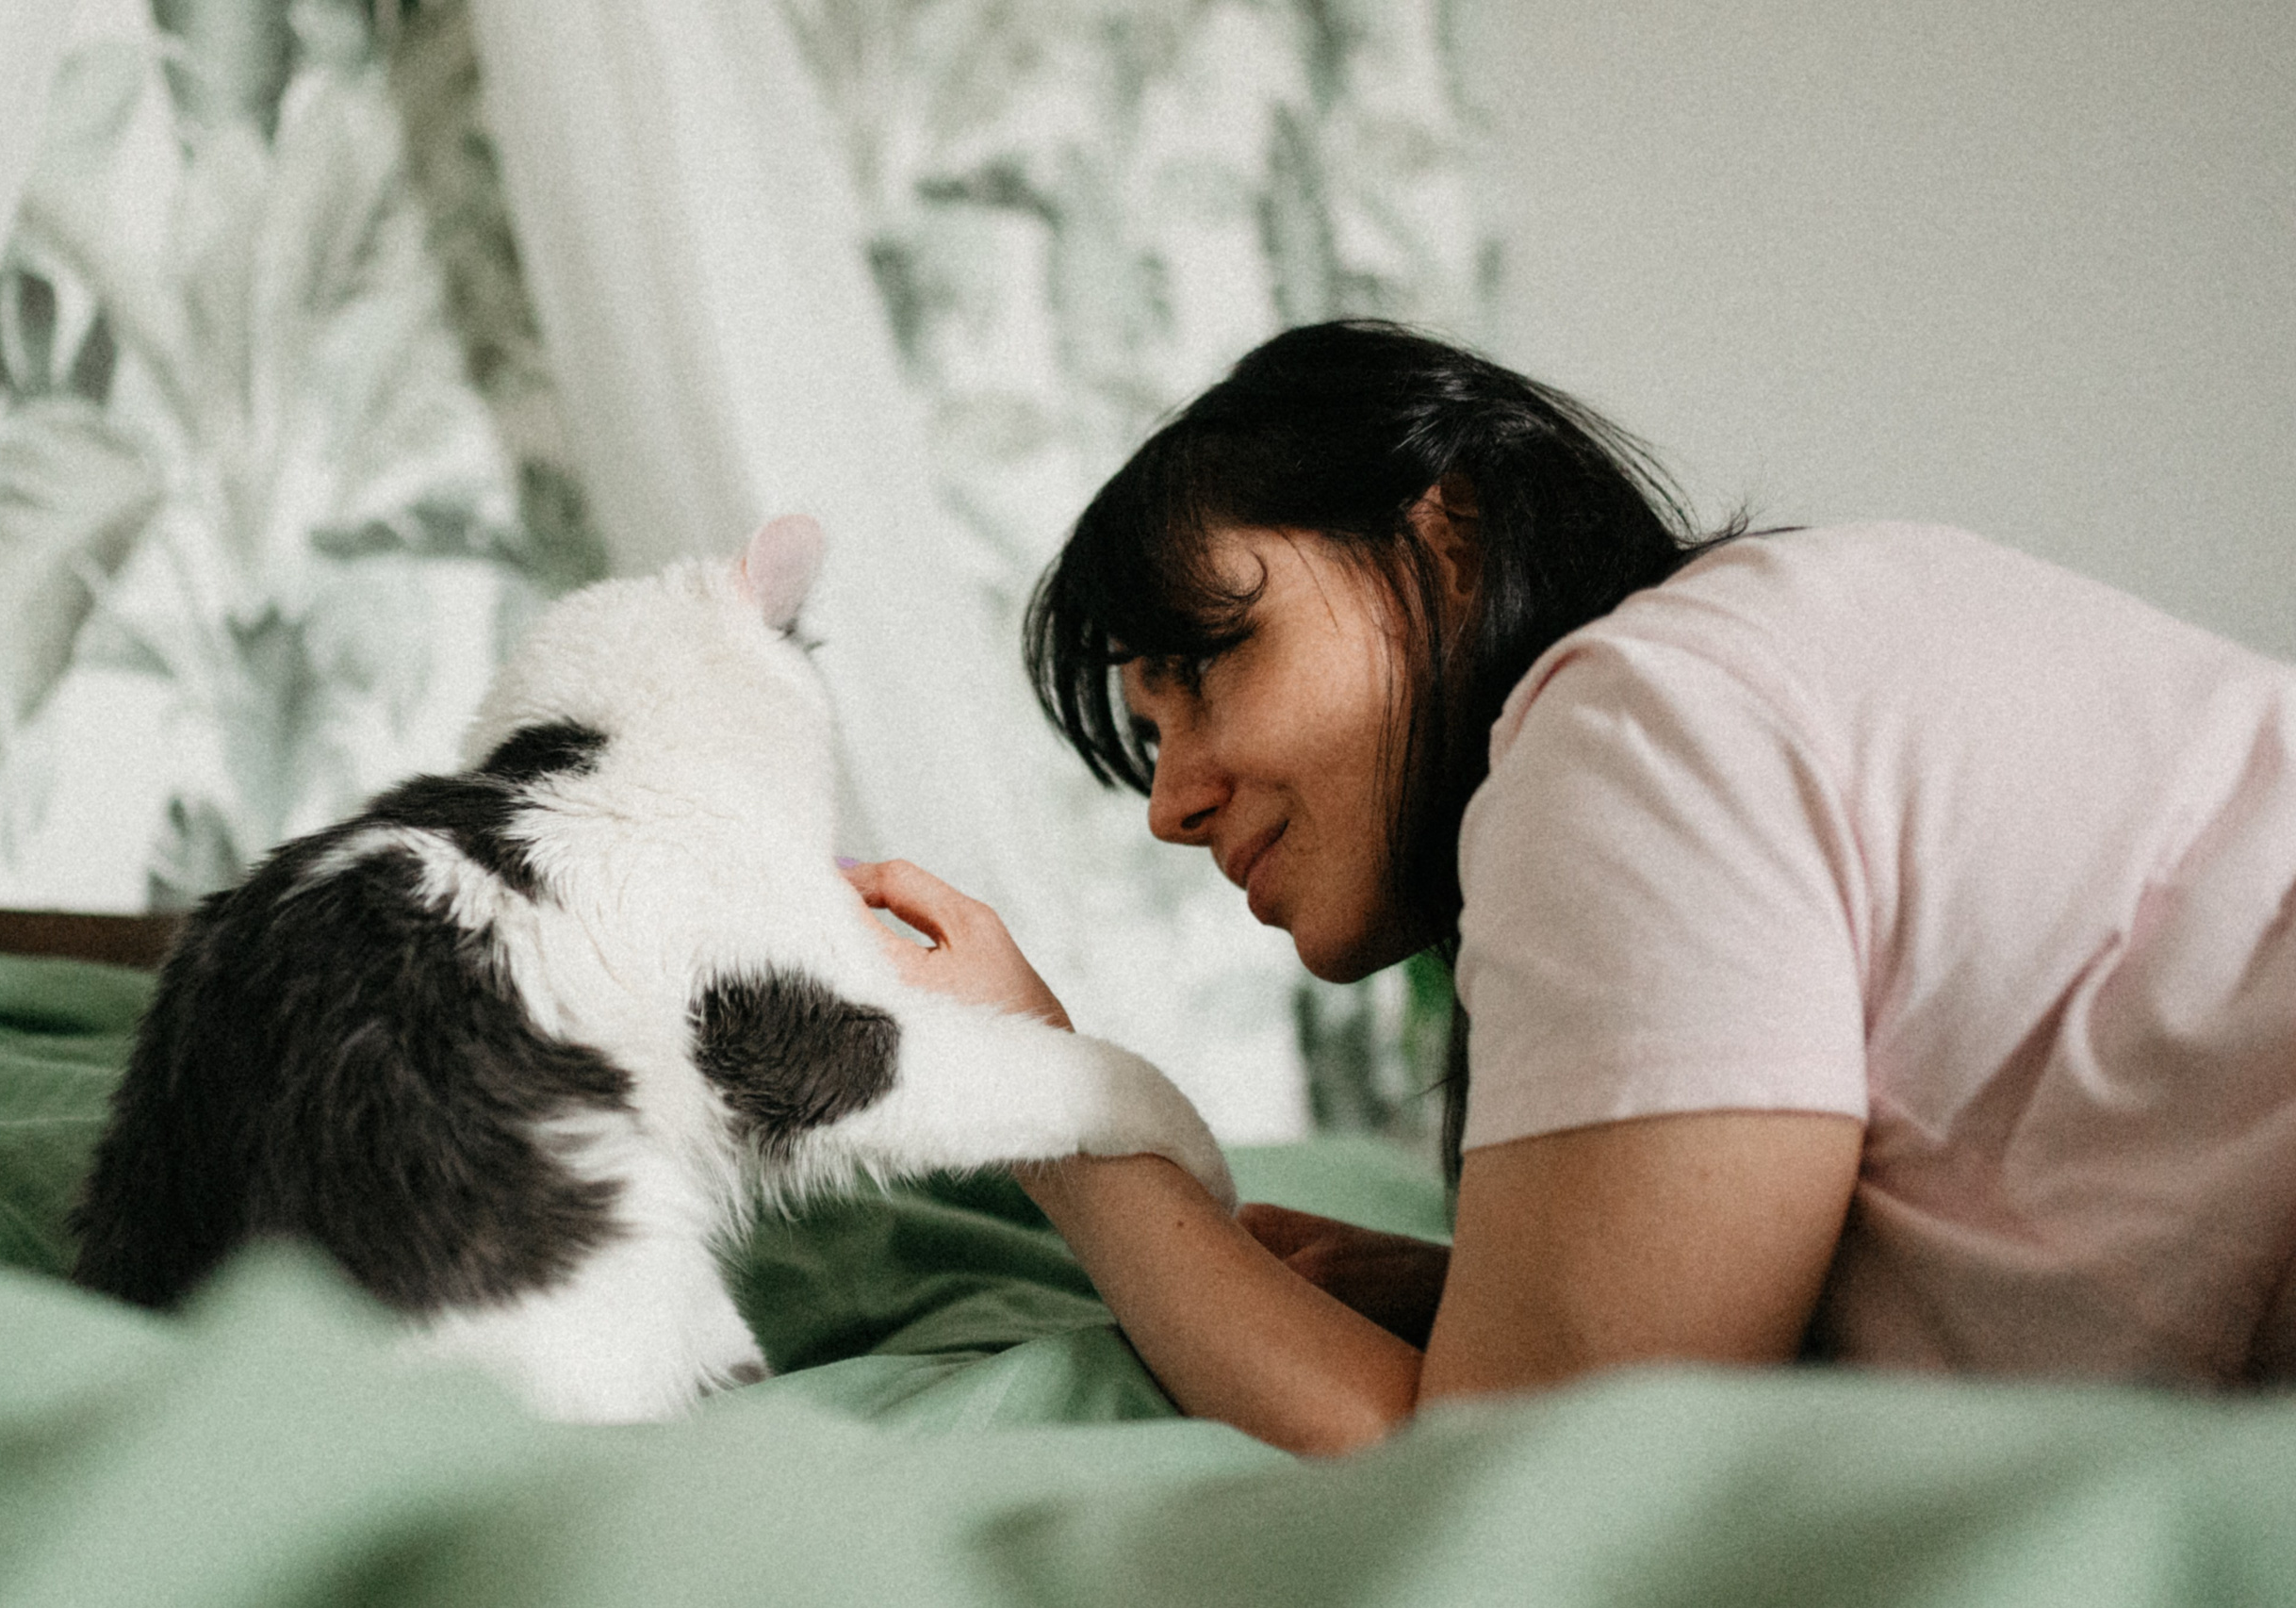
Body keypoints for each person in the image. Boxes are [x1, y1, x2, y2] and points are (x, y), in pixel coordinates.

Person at [842, 320, 2296, 1456]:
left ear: (1448, 534)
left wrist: (1048, 1096)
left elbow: (1511, 1481)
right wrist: (1464, 1290)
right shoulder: (1777, 640)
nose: (1171, 801)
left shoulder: (1629, 721)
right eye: (1150, 743)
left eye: (1211, 660)